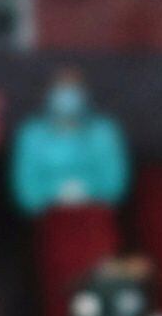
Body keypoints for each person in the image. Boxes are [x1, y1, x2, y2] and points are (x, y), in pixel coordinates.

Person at [10, 65, 134, 215]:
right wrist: (56, 193)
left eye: (73, 89)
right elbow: (25, 188)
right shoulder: (31, 133)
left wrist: (86, 192)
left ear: (85, 94)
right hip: (44, 220)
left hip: (96, 217)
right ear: (48, 94)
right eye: (61, 89)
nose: (67, 95)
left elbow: (115, 183)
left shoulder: (104, 131)